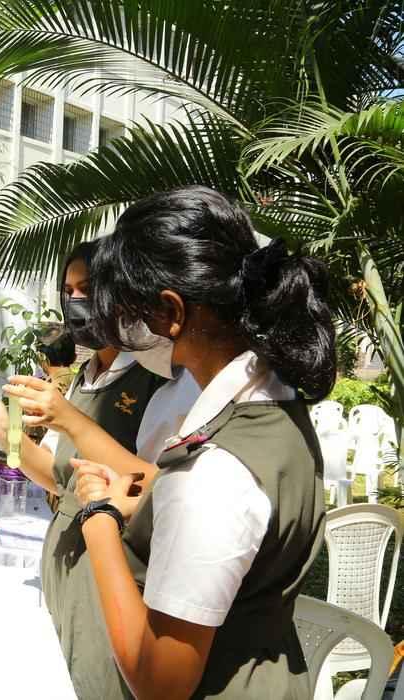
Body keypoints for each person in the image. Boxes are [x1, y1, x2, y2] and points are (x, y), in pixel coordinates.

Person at [48, 187, 330, 698]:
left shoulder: (212, 473)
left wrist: (100, 519)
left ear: (170, 312)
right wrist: (146, 504)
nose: (122, 331)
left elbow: (161, 681)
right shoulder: (276, 405)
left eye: (128, 313)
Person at [0, 237, 200, 684]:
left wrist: (70, 420)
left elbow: (155, 488)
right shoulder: (86, 377)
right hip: (67, 567)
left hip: (115, 572)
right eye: (68, 291)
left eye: (89, 290)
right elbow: (58, 479)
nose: (77, 302)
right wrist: (1, 429)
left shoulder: (160, 380)